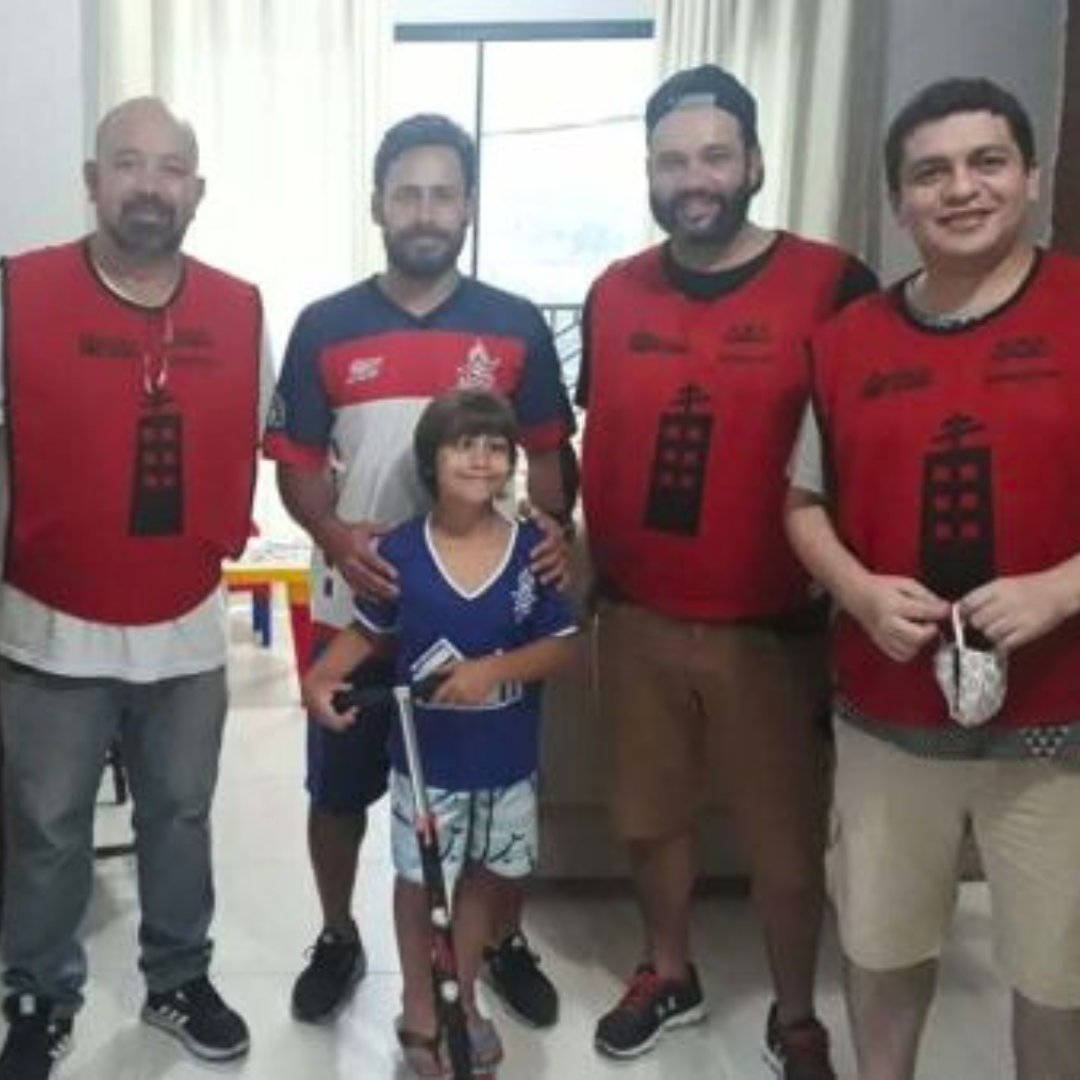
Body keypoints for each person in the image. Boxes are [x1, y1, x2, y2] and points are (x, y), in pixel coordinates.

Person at [578, 65, 877, 1076]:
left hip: (773, 628)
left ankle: (795, 1014)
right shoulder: (613, 291)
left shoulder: (832, 286)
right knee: (649, 816)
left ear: (754, 162)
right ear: (649, 172)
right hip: (636, 617)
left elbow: (862, 450)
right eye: (671, 160)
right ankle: (669, 971)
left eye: (714, 156)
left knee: (786, 846)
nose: (692, 178)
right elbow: (599, 438)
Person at [786, 77, 1080, 1080]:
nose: (961, 189)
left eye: (986, 162)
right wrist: (860, 593)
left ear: (1031, 177)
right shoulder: (846, 342)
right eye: (930, 173)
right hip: (886, 713)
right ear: (900, 202)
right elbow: (801, 505)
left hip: (1059, 724)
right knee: (880, 945)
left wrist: (1059, 590)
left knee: (1057, 970)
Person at [264, 113, 576, 1029]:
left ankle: (501, 940)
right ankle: (337, 935)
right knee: (338, 789)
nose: (426, 211)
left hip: (490, 615)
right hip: (362, 604)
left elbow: (549, 455)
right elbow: (295, 462)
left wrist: (555, 530)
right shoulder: (325, 325)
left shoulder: (515, 325)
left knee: (495, 791)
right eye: (408, 194)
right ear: (378, 205)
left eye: (444, 194)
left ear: (469, 206)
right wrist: (332, 533)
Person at [0, 97, 272, 1077]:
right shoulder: (17, 293)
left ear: (196, 191)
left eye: (169, 169)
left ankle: (178, 979)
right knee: (45, 829)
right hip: (46, 624)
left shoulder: (241, 309)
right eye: (128, 163)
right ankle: (39, 992)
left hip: (185, 627)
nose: (149, 186)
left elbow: (258, 440)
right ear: (92, 180)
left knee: (180, 816)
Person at [303, 389, 578, 1076]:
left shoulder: (532, 553)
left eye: (496, 447)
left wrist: (494, 671)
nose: (481, 460)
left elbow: (562, 647)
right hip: (426, 766)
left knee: (483, 876)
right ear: (431, 461)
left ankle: (466, 996)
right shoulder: (400, 551)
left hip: (505, 761)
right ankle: (421, 1007)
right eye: (464, 445)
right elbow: (372, 629)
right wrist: (321, 677)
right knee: (418, 882)